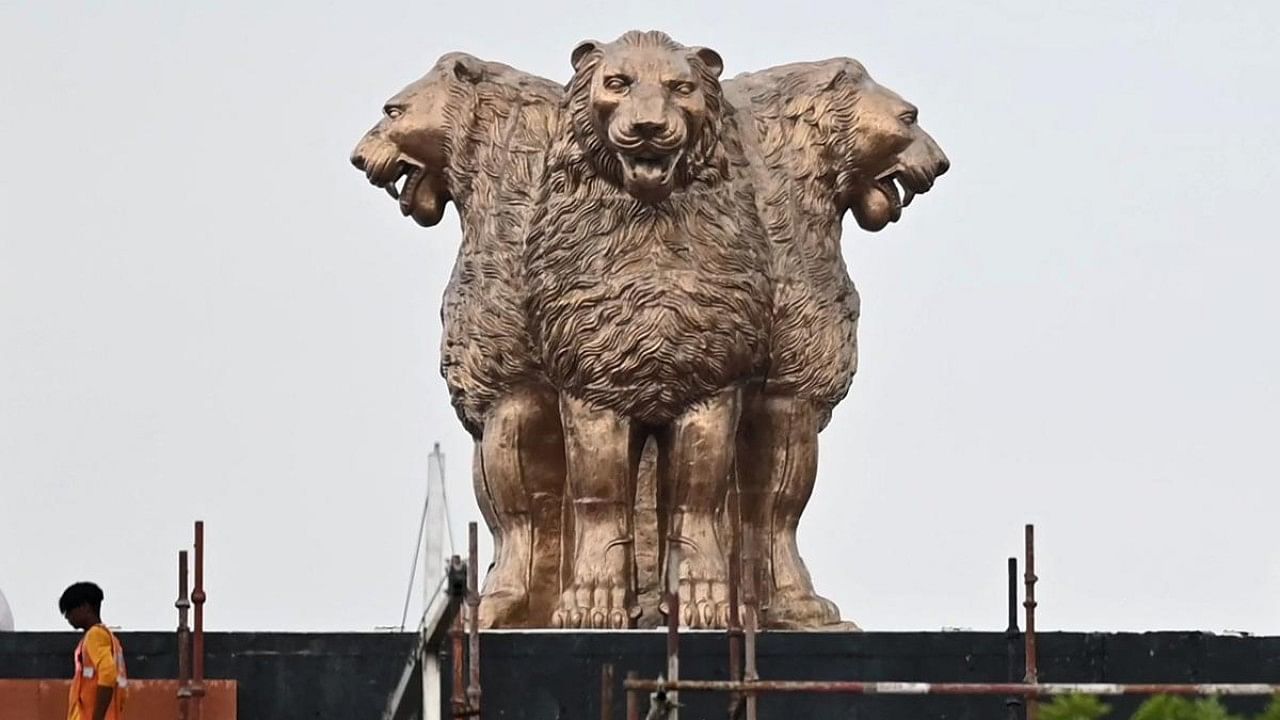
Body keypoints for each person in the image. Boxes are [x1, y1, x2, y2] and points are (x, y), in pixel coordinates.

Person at [59, 582, 127, 720]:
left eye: (69, 611)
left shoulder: (95, 636)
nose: (67, 617)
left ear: (85, 607)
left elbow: (108, 675)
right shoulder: (112, 640)